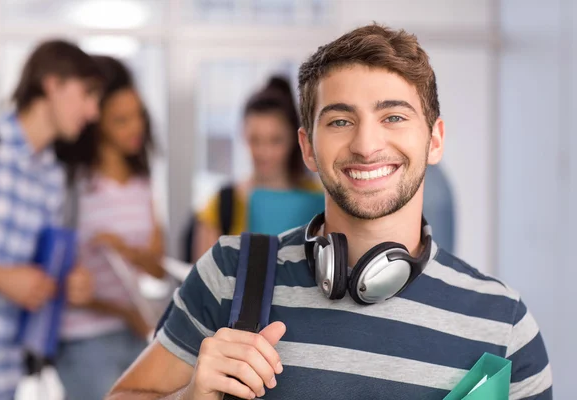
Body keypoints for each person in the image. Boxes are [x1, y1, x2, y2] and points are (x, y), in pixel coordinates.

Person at [106, 24, 552, 400]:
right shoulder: (232, 273)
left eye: (393, 116)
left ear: (434, 140)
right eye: (340, 120)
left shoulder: (504, 325)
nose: (365, 144)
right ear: (308, 147)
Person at [0, 40, 101, 400]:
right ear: (53, 83)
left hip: (4, 376)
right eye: (87, 94)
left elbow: (39, 269)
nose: (92, 112)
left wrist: (69, 281)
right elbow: (9, 277)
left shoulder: (54, 178)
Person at [54, 55, 166, 400]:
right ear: (95, 121)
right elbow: (60, 278)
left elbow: (159, 267)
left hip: (140, 335)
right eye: (122, 120)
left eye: (139, 116)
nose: (136, 128)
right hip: (84, 339)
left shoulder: (142, 182)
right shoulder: (73, 184)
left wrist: (128, 252)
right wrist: (123, 311)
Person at [190, 76, 320, 262]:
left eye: (275, 140)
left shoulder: (320, 202)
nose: (264, 152)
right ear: (243, 135)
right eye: (255, 140)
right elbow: (203, 283)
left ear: (295, 139)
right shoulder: (221, 204)